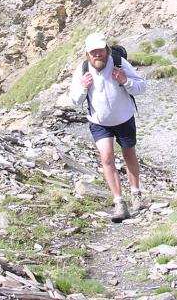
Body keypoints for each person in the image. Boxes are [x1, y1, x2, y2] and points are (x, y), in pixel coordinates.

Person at [70, 33, 147, 222]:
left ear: (107, 51)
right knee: (106, 158)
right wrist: (82, 88)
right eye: (93, 52)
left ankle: (136, 193)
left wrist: (125, 81)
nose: (98, 55)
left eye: (101, 51)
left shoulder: (119, 63)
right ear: (87, 54)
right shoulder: (82, 70)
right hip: (99, 122)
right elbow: (74, 101)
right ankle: (119, 202)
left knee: (129, 153)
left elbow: (142, 87)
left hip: (124, 118)